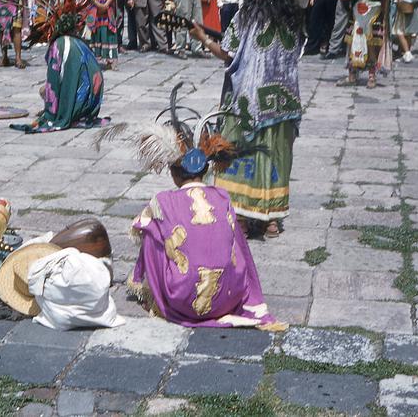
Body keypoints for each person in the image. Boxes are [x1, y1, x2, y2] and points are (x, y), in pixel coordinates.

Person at [105, 86, 286, 331]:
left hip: (183, 301)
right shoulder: (222, 196)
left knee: (149, 228)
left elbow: (137, 227)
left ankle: (148, 288)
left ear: (173, 174)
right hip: (227, 297)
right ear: (207, 170)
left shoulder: (163, 201)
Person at [189, 0, 312, 237]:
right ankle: (271, 219)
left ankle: (242, 218)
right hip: (283, 103)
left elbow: (228, 54)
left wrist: (203, 38)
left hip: (246, 103)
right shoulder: (294, 21)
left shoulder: (246, 17)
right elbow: (294, 56)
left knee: (242, 158)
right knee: (277, 159)